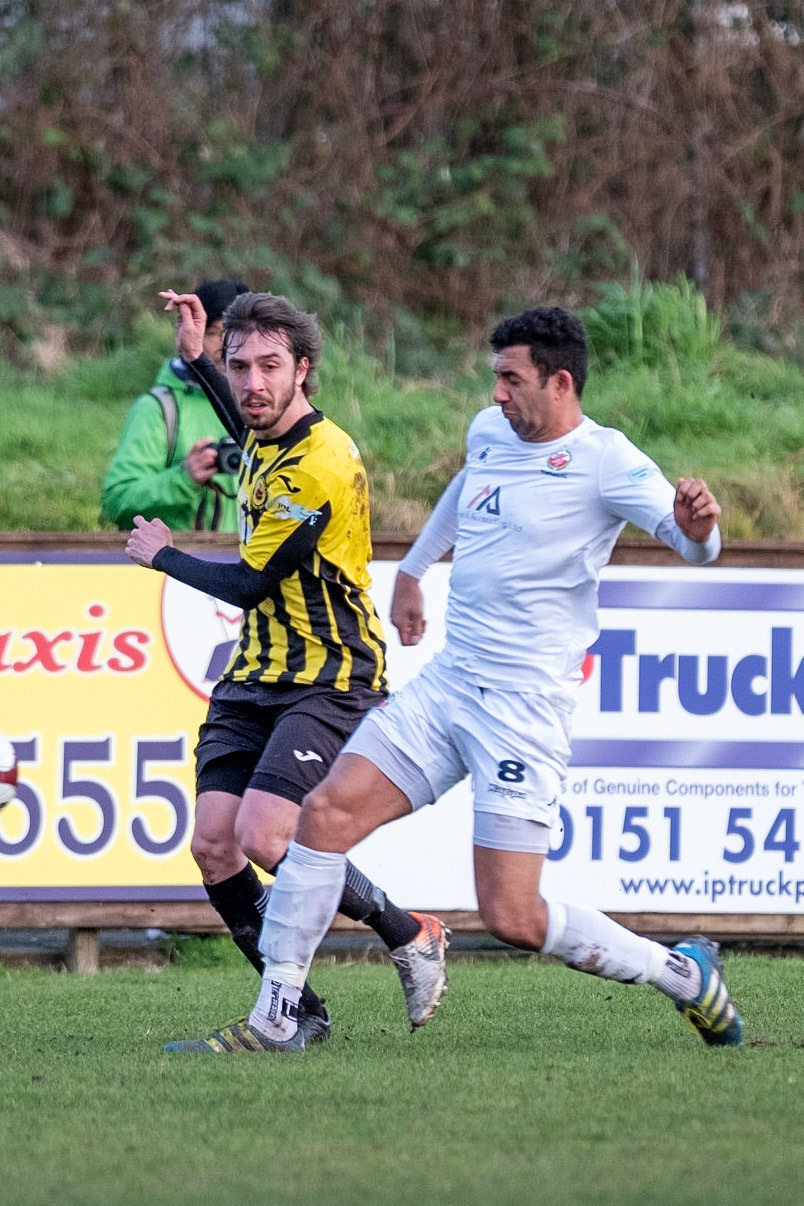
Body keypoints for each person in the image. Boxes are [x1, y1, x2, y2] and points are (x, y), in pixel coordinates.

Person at [193, 305, 743, 1054]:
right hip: (449, 685)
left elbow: (692, 544)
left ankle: (682, 974)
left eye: (511, 380)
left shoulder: (609, 460)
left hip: (523, 709)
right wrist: (416, 568)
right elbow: (466, 486)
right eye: (495, 378)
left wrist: (700, 526)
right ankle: (278, 1018)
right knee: (320, 819)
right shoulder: (492, 434)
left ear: (560, 382)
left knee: (513, 915)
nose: (496, 395)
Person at [125, 289, 448, 1047]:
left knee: (270, 837)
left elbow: (250, 583)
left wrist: (163, 555)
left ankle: (407, 932)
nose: (252, 384)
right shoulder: (266, 429)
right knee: (214, 843)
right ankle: (300, 1015)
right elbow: (244, 412)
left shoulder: (319, 461)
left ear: (304, 370)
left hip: (330, 674)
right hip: (255, 672)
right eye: (240, 368)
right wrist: (201, 354)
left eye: (271, 366)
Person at [102, 279, 250, 532]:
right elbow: (117, 501)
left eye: (238, 336)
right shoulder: (159, 409)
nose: (226, 348)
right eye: (214, 333)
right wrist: (184, 478)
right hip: (176, 564)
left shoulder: (267, 410)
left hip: (253, 564)